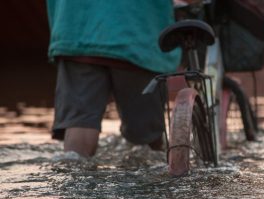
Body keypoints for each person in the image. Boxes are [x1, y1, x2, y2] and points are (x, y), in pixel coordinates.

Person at [46, 0, 196, 157]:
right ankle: (150, 178)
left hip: (75, 31)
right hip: (137, 37)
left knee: (80, 122)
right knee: (145, 138)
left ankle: (74, 174)